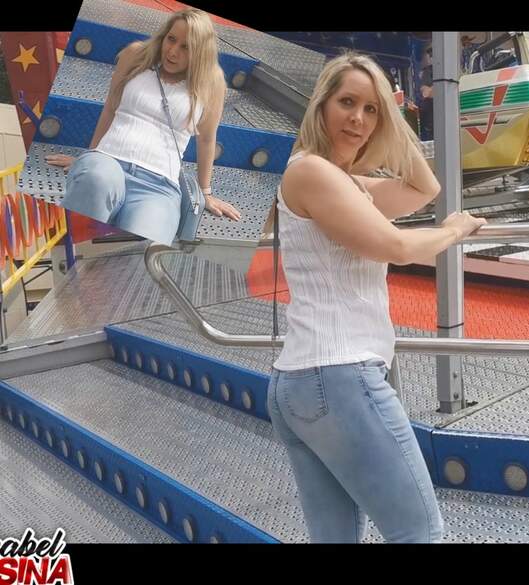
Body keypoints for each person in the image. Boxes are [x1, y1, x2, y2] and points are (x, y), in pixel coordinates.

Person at [268, 52, 487, 543]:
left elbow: (425, 187)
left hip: (305, 382)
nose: (358, 119)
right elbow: (399, 247)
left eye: (372, 110)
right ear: (321, 105)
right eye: (347, 102)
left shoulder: (346, 182)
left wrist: (393, 116)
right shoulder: (313, 172)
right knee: (418, 532)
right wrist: (454, 230)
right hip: (339, 377)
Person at [45, 8, 241, 245]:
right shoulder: (135, 55)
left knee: (146, 243)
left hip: (159, 185)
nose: (173, 51)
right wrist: (89, 158)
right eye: (171, 39)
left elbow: (207, 139)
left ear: (200, 52)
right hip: (108, 161)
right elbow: (110, 108)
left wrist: (205, 193)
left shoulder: (212, 81)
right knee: (94, 181)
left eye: (186, 47)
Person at [417, 46, 433, 141]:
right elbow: (425, 93)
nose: (431, 58)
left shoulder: (449, 70)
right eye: (430, 55)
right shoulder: (427, 71)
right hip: (430, 120)